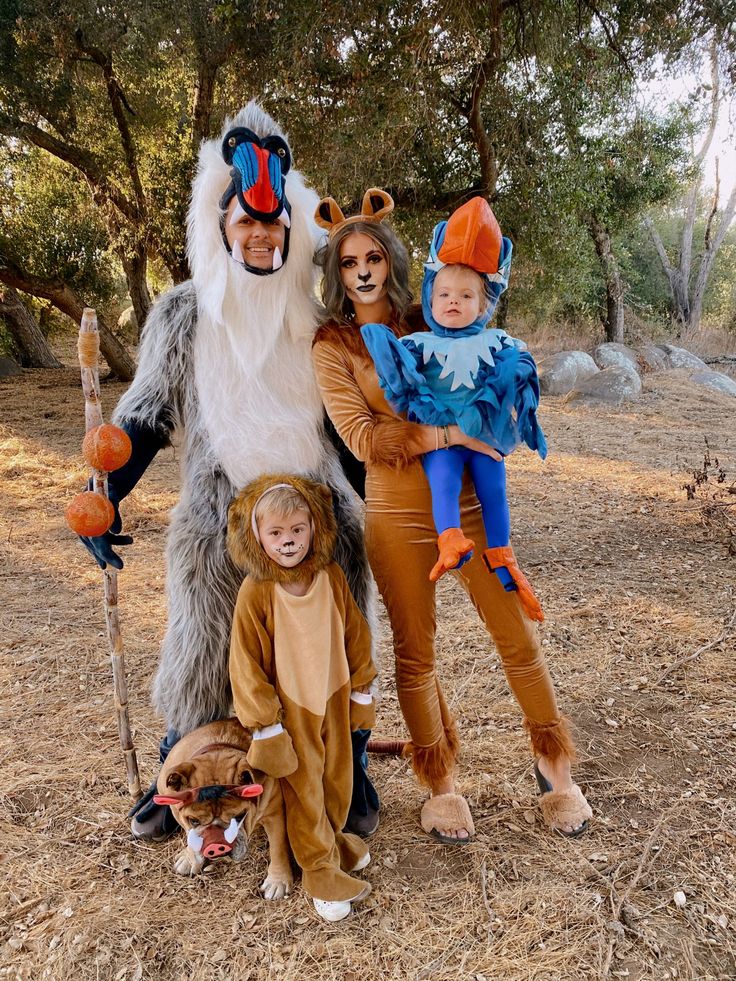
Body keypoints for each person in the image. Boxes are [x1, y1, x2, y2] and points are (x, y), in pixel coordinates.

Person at [77, 103, 379, 841]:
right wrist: (104, 495)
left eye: (273, 225)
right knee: (205, 643)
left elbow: (350, 429)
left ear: (290, 230)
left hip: (321, 514)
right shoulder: (182, 314)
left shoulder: (320, 317)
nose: (261, 234)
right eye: (247, 221)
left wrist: (392, 513)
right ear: (222, 226)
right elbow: (143, 418)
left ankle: (348, 762)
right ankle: (179, 764)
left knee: (333, 645)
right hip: (219, 514)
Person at [311, 188, 592, 842]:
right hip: (392, 506)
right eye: (348, 260)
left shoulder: (430, 312)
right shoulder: (332, 344)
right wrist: (448, 436)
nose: (361, 270)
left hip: (464, 499)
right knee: (415, 652)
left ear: (392, 260)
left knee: (515, 635)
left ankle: (555, 768)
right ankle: (440, 783)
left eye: (372, 256)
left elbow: (480, 370)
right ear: (336, 270)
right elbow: (360, 436)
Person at [360, 196, 546, 619]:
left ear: (484, 305)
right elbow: (398, 380)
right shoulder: (417, 343)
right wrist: (389, 353)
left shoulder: (499, 341)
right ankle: (450, 540)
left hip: (485, 436)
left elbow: (517, 376)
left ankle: (503, 555)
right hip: (441, 438)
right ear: (429, 295)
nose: (453, 302)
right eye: (443, 293)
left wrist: (517, 381)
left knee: (494, 489)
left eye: (466, 295)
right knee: (442, 480)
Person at [228, 475, 375, 922]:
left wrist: (362, 688)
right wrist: (264, 723)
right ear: (256, 537)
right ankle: (318, 871)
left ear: (314, 529)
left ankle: (330, 840)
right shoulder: (256, 591)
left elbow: (354, 632)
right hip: (291, 710)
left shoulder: (329, 576)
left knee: (338, 779)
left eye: (297, 530)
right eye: (276, 534)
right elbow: (245, 661)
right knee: (305, 787)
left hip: (332, 695)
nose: (288, 542)